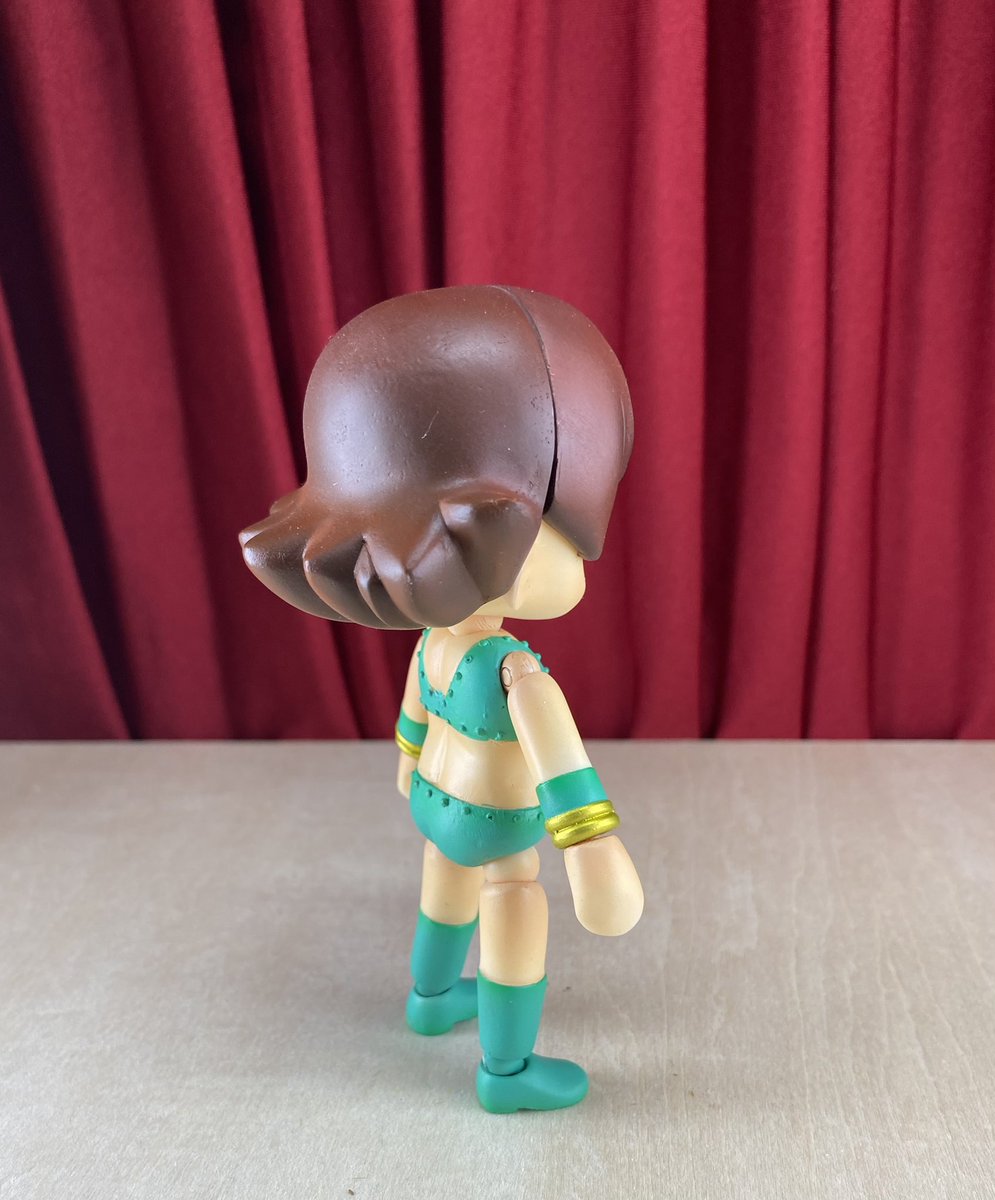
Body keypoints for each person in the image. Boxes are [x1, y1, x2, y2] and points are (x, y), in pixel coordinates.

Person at [240, 284, 644, 1113]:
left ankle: (429, 1000)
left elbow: (415, 713)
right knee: (512, 904)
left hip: (433, 804)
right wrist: (593, 854)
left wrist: (408, 762)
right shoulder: (514, 672)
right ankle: (507, 1072)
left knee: (441, 884)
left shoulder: (434, 642)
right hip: (497, 827)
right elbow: (564, 774)